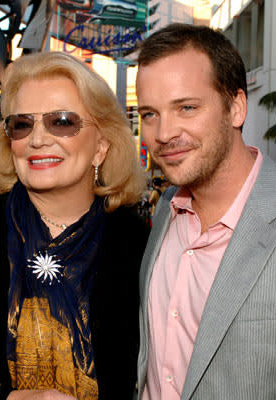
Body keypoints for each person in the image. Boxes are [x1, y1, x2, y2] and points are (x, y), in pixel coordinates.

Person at [0, 51, 150, 400]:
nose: (37, 139)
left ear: (101, 145)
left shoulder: (137, 242)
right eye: (22, 124)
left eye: (62, 121)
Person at [135, 23, 276, 400]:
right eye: (150, 113)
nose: (164, 133)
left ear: (236, 107)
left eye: (186, 107)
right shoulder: (165, 209)